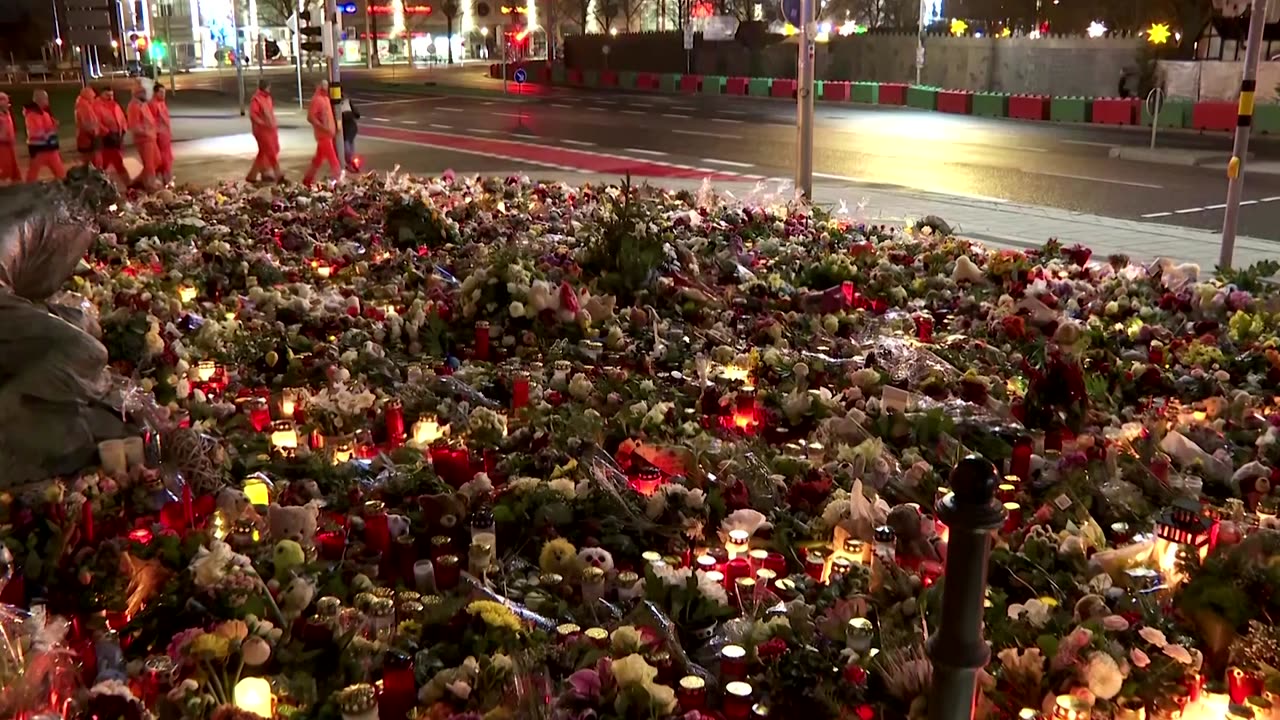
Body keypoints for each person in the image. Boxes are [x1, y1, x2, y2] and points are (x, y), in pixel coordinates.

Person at [302, 80, 340, 186]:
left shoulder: (325, 99)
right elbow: (310, 117)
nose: (326, 88)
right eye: (324, 86)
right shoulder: (317, 100)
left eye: (326, 86)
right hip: (323, 135)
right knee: (333, 159)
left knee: (318, 160)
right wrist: (322, 127)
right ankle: (338, 178)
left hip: (327, 134)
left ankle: (308, 179)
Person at [23, 89, 65, 181]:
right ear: (40, 100)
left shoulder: (45, 113)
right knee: (32, 175)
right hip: (39, 149)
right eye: (46, 99)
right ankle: (28, 191)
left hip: (50, 148)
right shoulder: (31, 115)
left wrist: (54, 126)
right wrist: (52, 129)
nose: (47, 101)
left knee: (60, 173)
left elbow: (48, 129)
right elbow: (34, 133)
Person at [126, 78, 159, 190]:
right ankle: (150, 185)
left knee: (156, 161)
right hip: (144, 140)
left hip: (150, 138)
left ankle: (139, 182)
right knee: (149, 164)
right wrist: (146, 132)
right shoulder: (134, 106)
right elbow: (134, 126)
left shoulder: (142, 104)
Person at [247, 79, 282, 183]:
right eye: (269, 87)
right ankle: (278, 174)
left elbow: (269, 113)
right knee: (270, 152)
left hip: (270, 130)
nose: (269, 89)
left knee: (265, 152)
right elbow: (253, 115)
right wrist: (263, 123)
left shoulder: (267, 98)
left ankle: (253, 175)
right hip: (262, 131)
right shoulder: (257, 100)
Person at [95, 86, 131, 186]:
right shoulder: (97, 106)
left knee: (105, 164)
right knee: (117, 163)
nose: (110, 97)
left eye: (111, 95)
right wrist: (107, 133)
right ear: (101, 94)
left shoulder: (115, 105)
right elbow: (97, 122)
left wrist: (123, 130)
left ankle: (99, 184)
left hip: (116, 138)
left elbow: (122, 118)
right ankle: (129, 185)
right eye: (107, 95)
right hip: (106, 139)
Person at [151, 83, 173, 185]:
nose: (163, 94)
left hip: (165, 137)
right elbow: (153, 122)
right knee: (161, 162)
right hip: (159, 138)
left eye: (164, 92)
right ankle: (165, 182)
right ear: (155, 93)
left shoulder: (162, 103)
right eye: (161, 92)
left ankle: (166, 181)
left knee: (165, 161)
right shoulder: (153, 105)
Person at [74, 86, 101, 167]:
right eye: (92, 96)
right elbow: (88, 124)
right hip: (88, 139)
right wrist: (95, 134)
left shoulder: (82, 104)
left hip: (85, 138)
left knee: (89, 162)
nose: (94, 97)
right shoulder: (84, 106)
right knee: (92, 162)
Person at [0, 93, 20, 184]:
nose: (8, 102)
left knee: (13, 176)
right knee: (4, 178)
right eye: (4, 99)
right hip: (2, 150)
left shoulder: (7, 114)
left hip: (10, 149)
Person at [340, 98, 360, 173]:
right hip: (348, 130)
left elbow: (357, 114)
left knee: (348, 150)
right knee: (349, 149)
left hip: (349, 130)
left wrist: (349, 113)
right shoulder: (345, 102)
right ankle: (352, 164)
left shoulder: (346, 102)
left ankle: (351, 165)